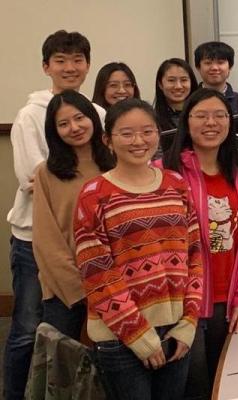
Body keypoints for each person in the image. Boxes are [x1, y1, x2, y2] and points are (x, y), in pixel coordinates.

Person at [75, 99, 202, 400]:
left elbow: (195, 255)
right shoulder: (94, 194)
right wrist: (138, 334)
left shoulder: (176, 184)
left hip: (175, 331)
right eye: (127, 133)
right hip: (120, 337)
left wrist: (189, 322)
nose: (139, 141)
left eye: (148, 131)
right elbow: (97, 274)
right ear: (108, 140)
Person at [6, 30, 104, 400]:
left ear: (87, 65)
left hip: (93, 246)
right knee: (30, 329)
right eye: (60, 60)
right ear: (46, 66)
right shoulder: (30, 115)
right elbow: (33, 177)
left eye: (77, 59)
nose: (70, 67)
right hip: (38, 240)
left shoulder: (100, 114)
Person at [160, 89, 238, 398]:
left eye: (219, 115)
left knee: (226, 379)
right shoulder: (167, 173)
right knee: (195, 384)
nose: (211, 123)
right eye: (201, 115)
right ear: (186, 122)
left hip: (226, 299)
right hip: (184, 303)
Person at [33, 91, 114, 343]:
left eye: (80, 118)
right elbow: (46, 241)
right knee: (63, 365)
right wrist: (82, 289)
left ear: (93, 117)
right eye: (63, 123)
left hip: (116, 282)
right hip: (67, 287)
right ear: (54, 131)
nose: (75, 128)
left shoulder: (115, 162)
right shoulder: (47, 173)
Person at [153, 58, 198, 132]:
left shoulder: (204, 114)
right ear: (160, 84)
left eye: (184, 80)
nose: (178, 86)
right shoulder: (152, 119)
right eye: (171, 80)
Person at [193, 41, 238, 110]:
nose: (214, 68)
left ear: (230, 67)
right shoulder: (189, 100)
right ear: (198, 67)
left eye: (220, 62)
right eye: (208, 63)